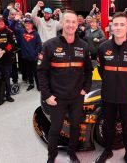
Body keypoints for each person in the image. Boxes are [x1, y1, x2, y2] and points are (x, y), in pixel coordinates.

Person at [38, 10, 93, 163]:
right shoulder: (50, 45)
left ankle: (72, 152)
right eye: (67, 21)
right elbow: (41, 72)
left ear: (78, 24)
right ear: (62, 23)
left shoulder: (84, 46)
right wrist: (47, 95)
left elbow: (89, 70)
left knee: (75, 127)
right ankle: (51, 155)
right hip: (57, 97)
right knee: (55, 129)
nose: (70, 25)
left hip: (76, 97)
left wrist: (85, 89)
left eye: (73, 22)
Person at [95, 12, 127, 163]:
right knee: (108, 125)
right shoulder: (103, 48)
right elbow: (101, 70)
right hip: (108, 95)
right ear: (111, 26)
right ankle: (107, 150)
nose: (118, 27)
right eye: (115, 24)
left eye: (122, 24)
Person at [10, 15, 42, 91]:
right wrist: (15, 20)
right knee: (29, 72)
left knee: (36, 72)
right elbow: (11, 28)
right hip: (25, 56)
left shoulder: (35, 33)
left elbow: (39, 44)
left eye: (29, 23)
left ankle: (38, 85)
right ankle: (31, 84)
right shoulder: (21, 31)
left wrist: (36, 53)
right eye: (26, 23)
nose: (27, 24)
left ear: (32, 25)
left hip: (34, 57)